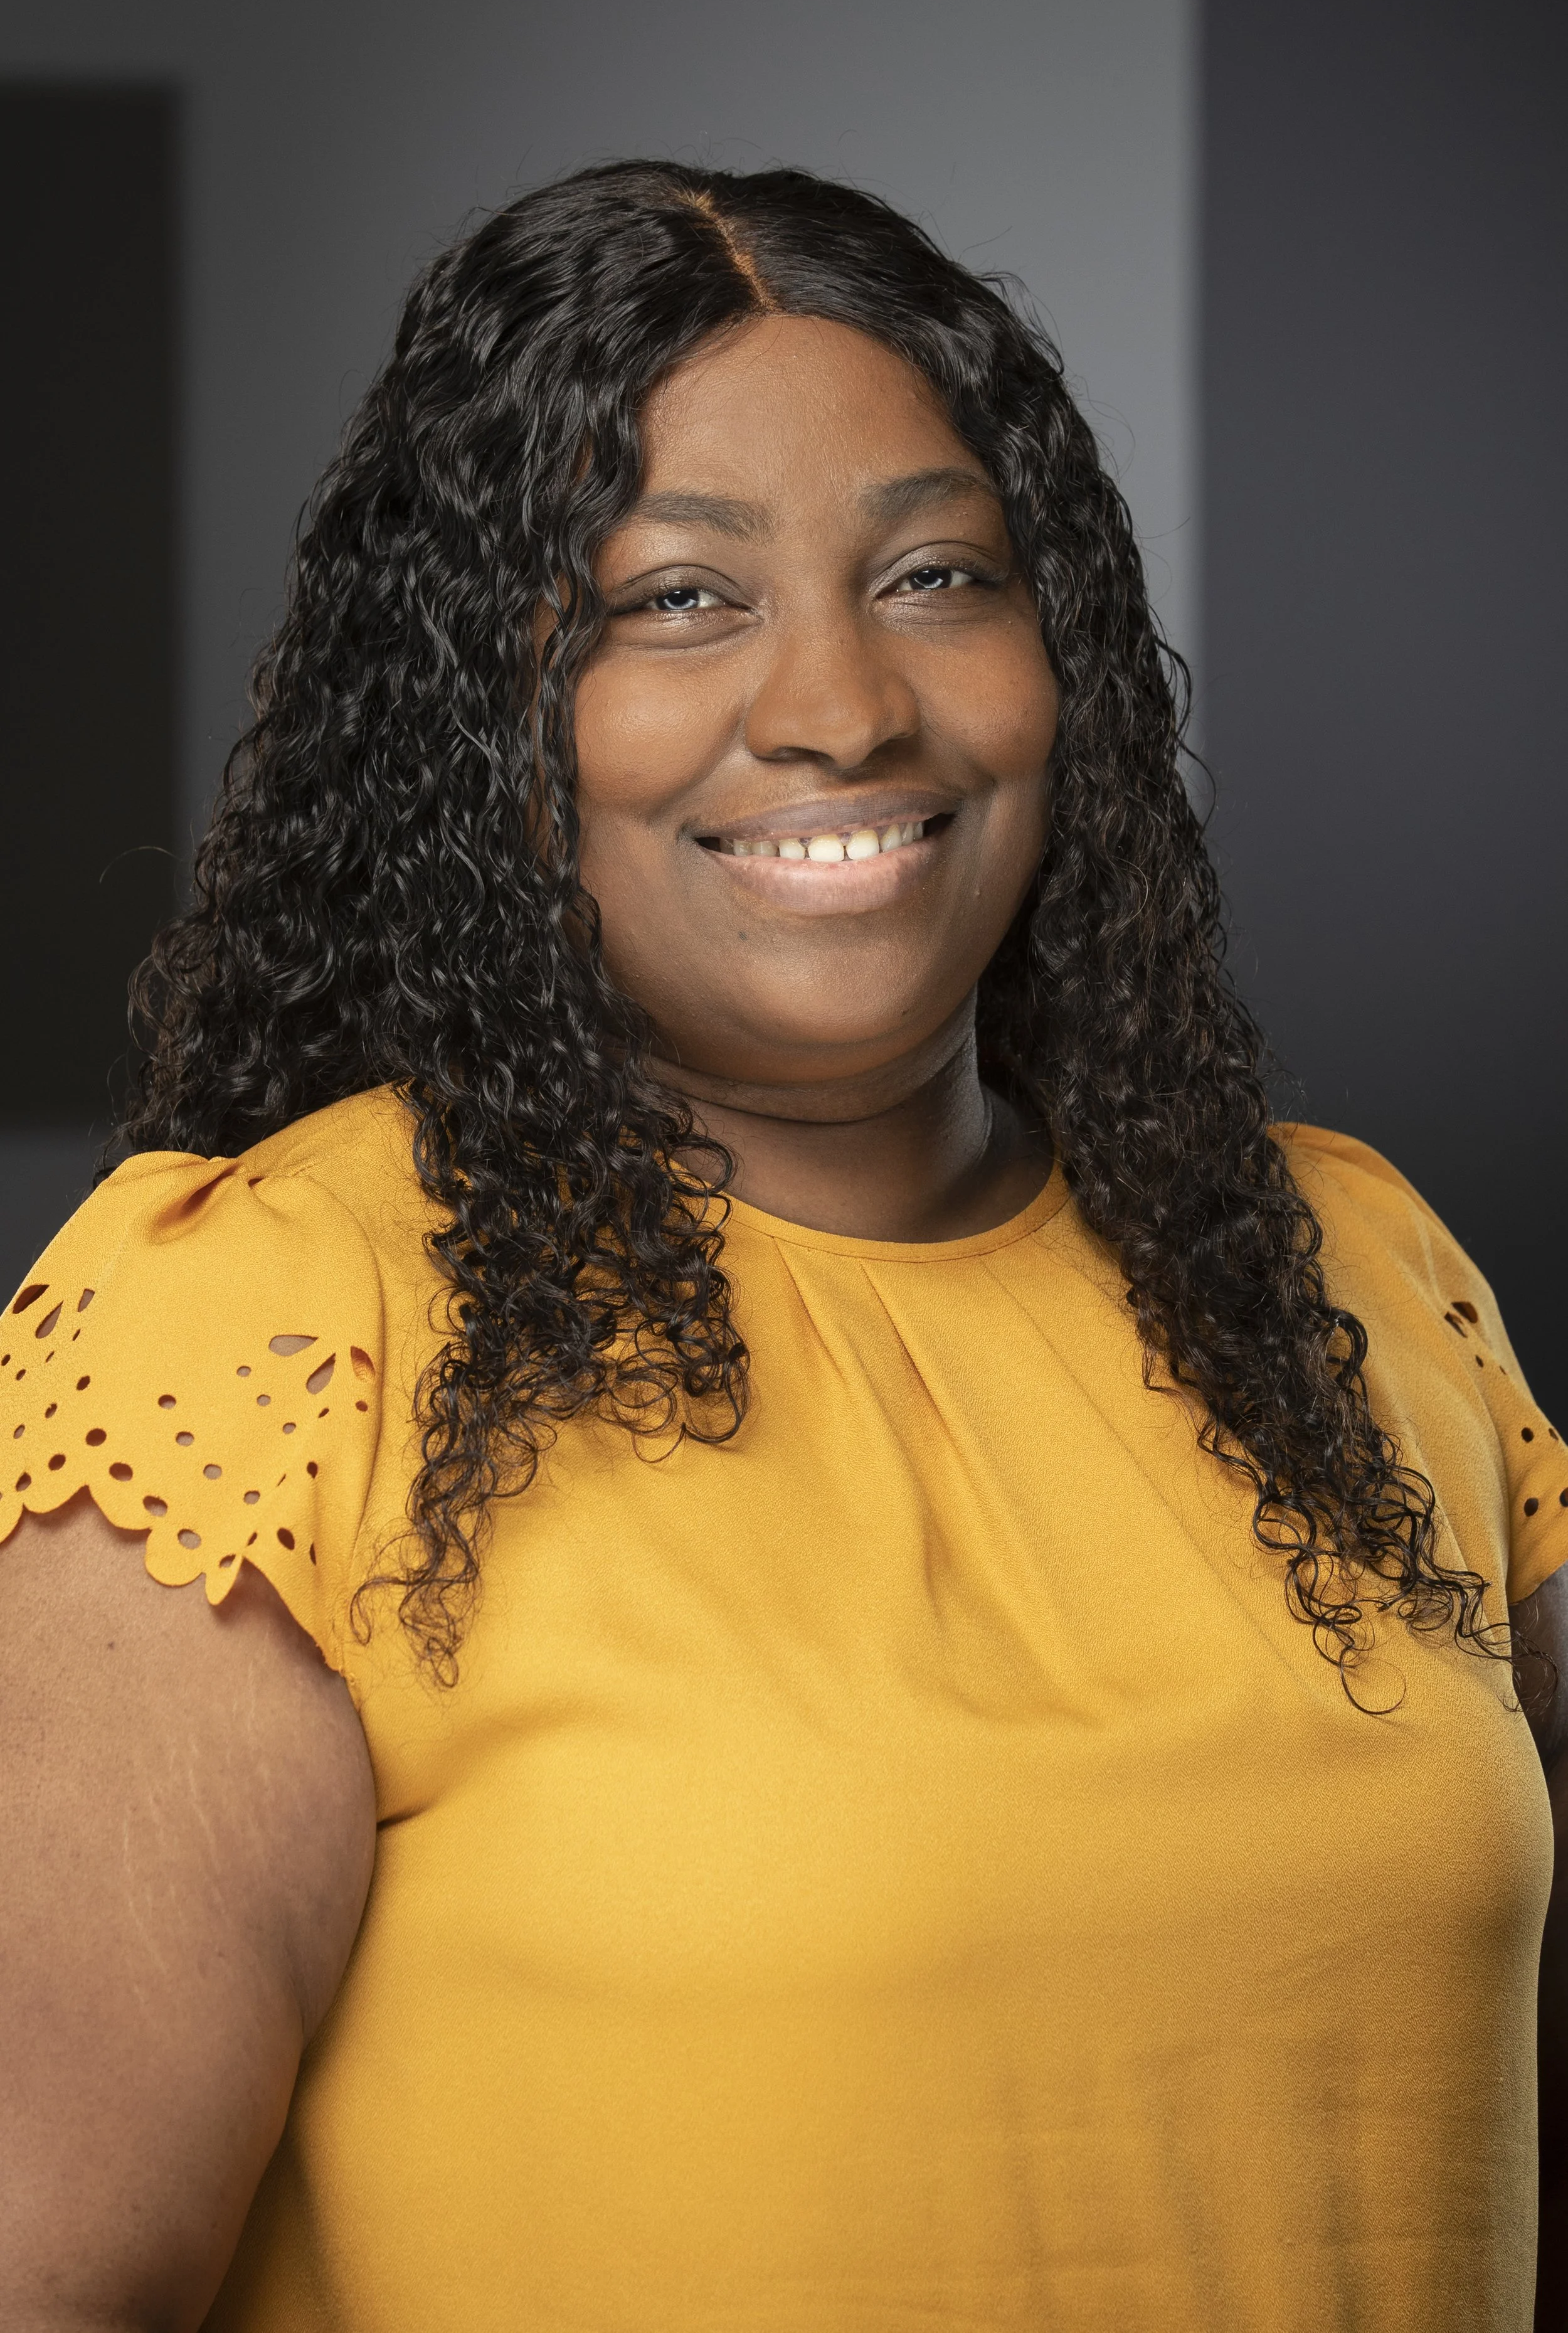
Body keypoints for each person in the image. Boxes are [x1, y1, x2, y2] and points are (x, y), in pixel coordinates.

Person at [1, 159, 1564, 2333]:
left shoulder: (1346, 1268)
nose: (839, 704)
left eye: (934, 574)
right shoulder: (274, 1321)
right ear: (482, 708)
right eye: (675, 598)